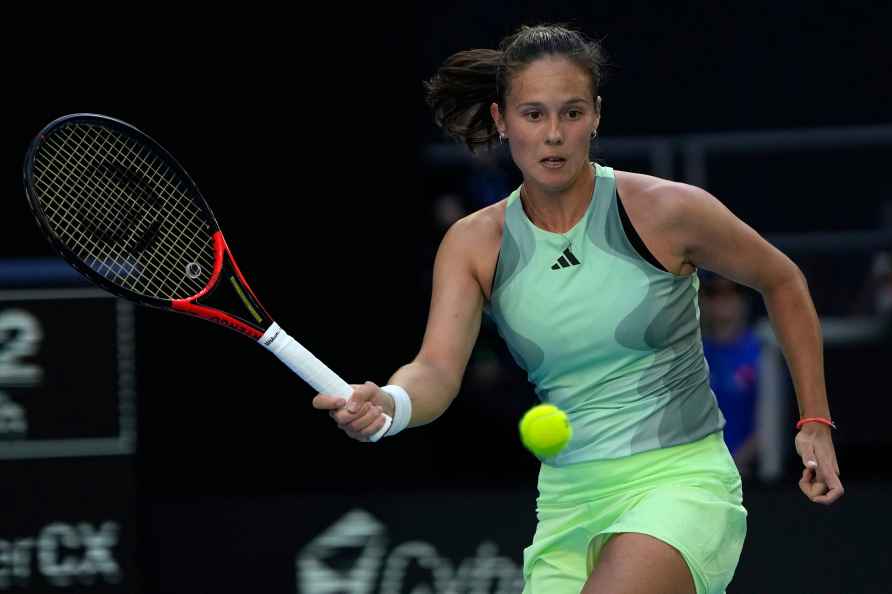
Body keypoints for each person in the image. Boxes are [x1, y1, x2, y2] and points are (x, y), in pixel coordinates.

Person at [312, 24, 843, 594]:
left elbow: (783, 281)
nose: (554, 136)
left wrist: (815, 422)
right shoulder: (474, 244)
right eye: (533, 115)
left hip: (680, 482)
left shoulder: (665, 211)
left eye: (571, 113)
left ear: (596, 116)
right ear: (501, 120)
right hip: (568, 498)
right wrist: (390, 403)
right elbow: (438, 371)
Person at [699, 274, 760, 479]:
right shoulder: (690, 354)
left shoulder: (763, 353)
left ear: (744, 300)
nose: (722, 301)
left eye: (732, 292)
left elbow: (774, 419)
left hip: (754, 473)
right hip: (700, 470)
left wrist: (739, 460)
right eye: (713, 293)